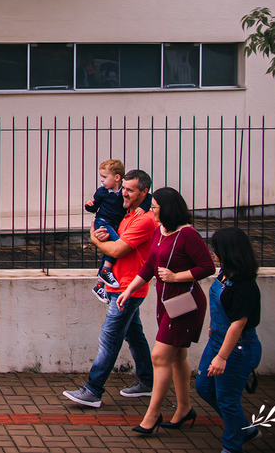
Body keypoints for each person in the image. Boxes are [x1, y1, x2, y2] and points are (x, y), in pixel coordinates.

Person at [117, 187, 214, 435]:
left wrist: (176, 276)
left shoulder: (187, 235)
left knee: (160, 356)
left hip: (184, 304)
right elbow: (150, 265)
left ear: (167, 208)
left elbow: (207, 267)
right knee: (178, 357)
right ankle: (184, 409)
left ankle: (152, 415)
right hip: (166, 301)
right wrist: (129, 290)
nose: (151, 210)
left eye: (155, 206)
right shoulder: (161, 231)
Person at [62, 169, 158, 409]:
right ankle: (147, 382)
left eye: (130, 190)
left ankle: (93, 390)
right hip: (120, 285)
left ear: (144, 192)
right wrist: (105, 236)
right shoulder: (127, 214)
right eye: (123, 188)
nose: (123, 193)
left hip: (128, 289)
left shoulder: (144, 220)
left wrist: (95, 239)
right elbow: (116, 243)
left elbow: (116, 251)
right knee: (134, 336)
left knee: (109, 339)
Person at [196, 227, 263, 453]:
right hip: (217, 341)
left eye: (217, 248)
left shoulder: (245, 286)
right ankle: (246, 429)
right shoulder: (225, 272)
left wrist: (222, 357)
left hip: (236, 349)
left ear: (229, 251)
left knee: (227, 400)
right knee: (204, 387)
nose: (213, 252)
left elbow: (238, 324)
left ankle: (233, 446)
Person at [85, 159, 126, 301]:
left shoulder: (124, 191)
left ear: (117, 178)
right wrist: (89, 205)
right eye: (101, 177)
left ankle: (99, 286)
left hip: (115, 224)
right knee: (117, 246)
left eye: (104, 177)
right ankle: (106, 271)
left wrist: (142, 207)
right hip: (102, 222)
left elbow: (146, 198)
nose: (101, 180)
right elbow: (94, 207)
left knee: (110, 250)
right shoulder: (102, 192)